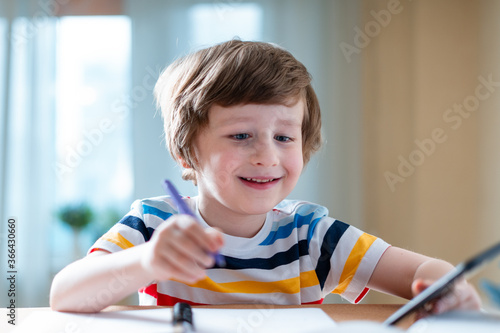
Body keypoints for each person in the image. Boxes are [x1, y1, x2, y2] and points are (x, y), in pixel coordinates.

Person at [50, 39, 481, 314]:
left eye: (284, 137)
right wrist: (146, 262)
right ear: (185, 153)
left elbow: (419, 271)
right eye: (241, 135)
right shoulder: (153, 226)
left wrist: (448, 286)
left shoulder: (312, 236)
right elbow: (65, 295)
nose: (266, 156)